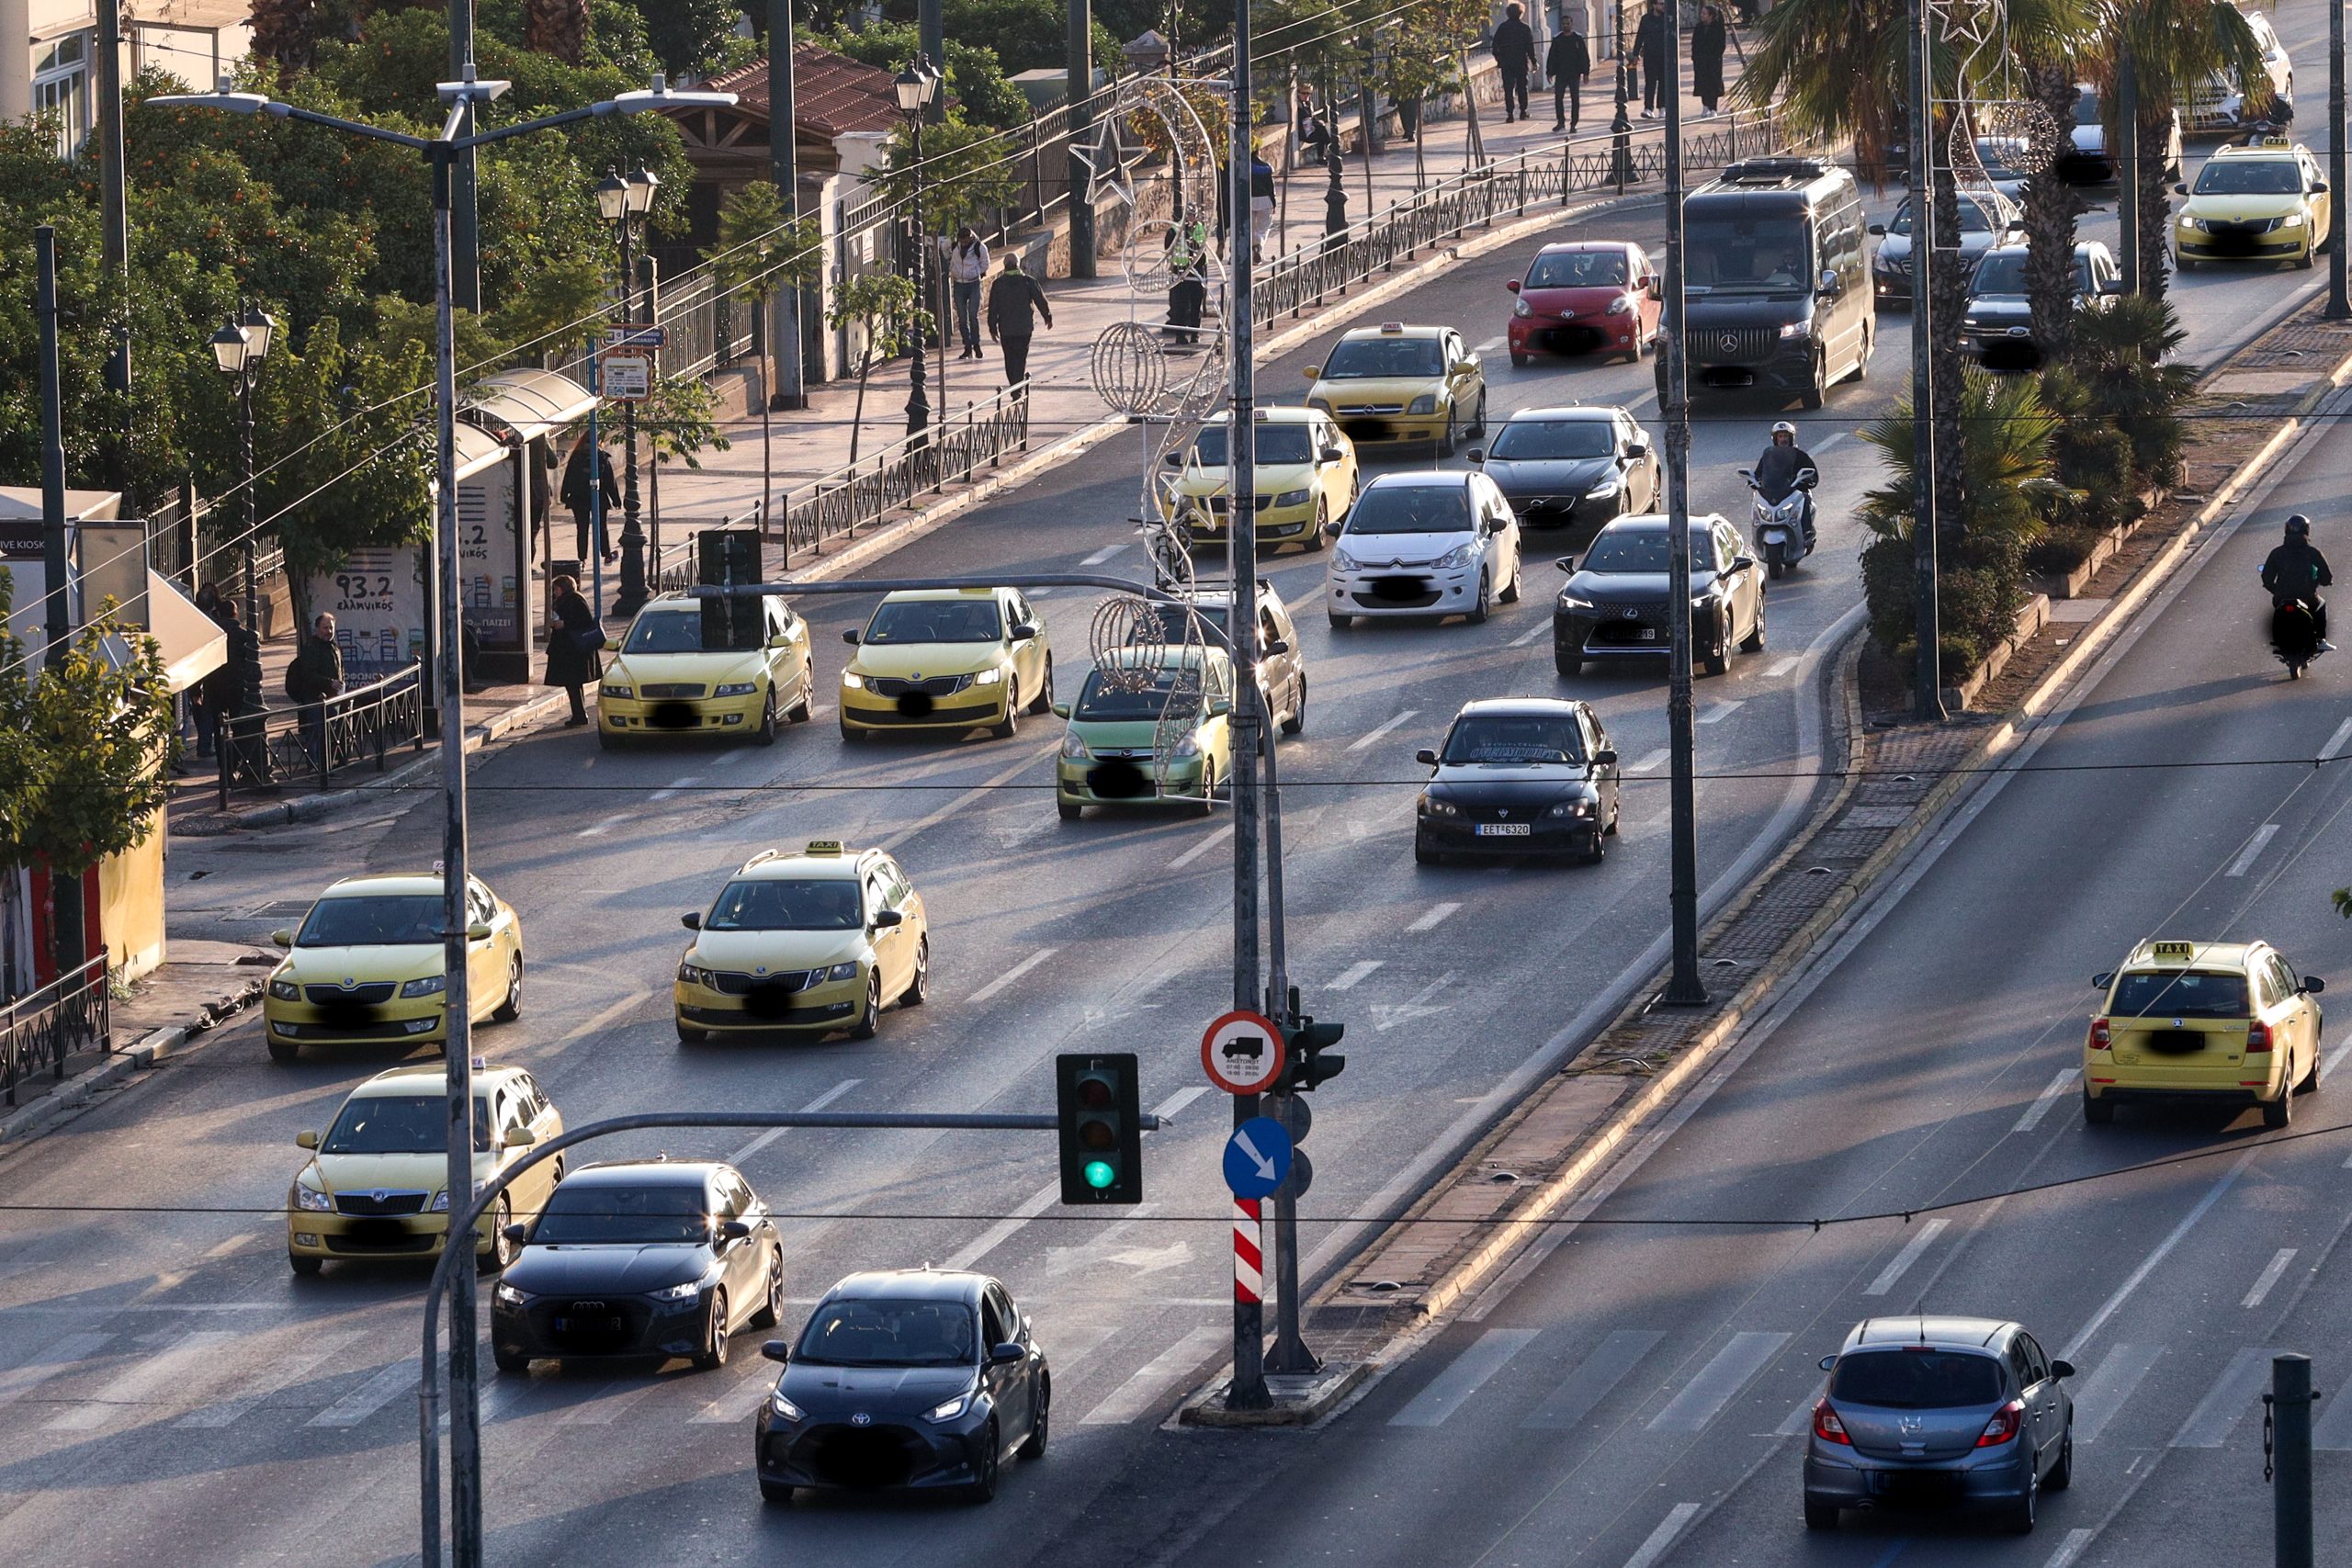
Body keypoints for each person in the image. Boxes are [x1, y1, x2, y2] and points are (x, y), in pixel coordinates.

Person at [209, 598, 272, 789]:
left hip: (215, 688)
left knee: (219, 730)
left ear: (219, 613)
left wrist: (197, 691)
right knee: (238, 728)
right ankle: (235, 764)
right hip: (237, 688)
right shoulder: (244, 636)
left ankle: (224, 770)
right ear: (236, 613)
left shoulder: (212, 634)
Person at [2262, 513, 2335, 650]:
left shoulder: (2277, 553)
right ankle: (2321, 640)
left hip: (2281, 596)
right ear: (2307, 530)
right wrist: (2324, 582)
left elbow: (2266, 577)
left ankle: (2279, 638)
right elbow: (2326, 575)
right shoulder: (2313, 552)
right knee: (2321, 605)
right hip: (2307, 596)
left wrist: (2276, 590)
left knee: (2278, 611)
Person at [285, 611, 345, 773]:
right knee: (316, 733)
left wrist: (340, 685)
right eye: (325, 628)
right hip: (315, 698)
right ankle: (314, 767)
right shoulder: (311, 648)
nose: (329, 631)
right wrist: (329, 682)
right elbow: (308, 674)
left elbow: (340, 668)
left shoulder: (333, 647)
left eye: (331, 628)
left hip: (333, 698)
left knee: (328, 734)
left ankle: (326, 766)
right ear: (317, 629)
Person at [986, 252, 1054, 391]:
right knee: (1020, 358)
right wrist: (1047, 317)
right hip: (1024, 328)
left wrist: (992, 328)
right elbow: (1040, 300)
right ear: (1018, 264)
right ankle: (1017, 387)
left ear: (1004, 266)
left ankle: (1014, 387)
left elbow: (993, 308)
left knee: (1009, 359)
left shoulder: (998, 284)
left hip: (1006, 329)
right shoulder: (1029, 281)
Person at [545, 574, 601, 727]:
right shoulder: (565, 600)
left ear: (563, 588)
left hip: (574, 651)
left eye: (556, 589)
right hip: (567, 649)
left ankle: (579, 715)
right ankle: (579, 713)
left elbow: (585, 622)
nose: (554, 592)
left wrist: (565, 624)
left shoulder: (575, 600)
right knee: (573, 684)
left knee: (573, 683)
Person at [1754, 420, 1818, 548]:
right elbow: (1758, 473)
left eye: (1786, 436)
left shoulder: (1800, 455)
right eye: (1780, 436)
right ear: (1775, 438)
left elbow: (1813, 475)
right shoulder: (1769, 456)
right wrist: (1754, 480)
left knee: (1806, 498)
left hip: (1795, 491)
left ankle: (1806, 532)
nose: (1783, 439)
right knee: (1756, 500)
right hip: (1774, 492)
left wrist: (1807, 480)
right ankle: (1756, 533)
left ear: (1791, 438)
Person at [560, 435, 619, 564]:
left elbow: (568, 477)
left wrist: (564, 496)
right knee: (602, 527)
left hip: (578, 498)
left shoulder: (576, 457)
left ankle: (582, 559)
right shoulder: (601, 456)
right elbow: (609, 480)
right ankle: (606, 554)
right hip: (599, 496)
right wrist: (616, 499)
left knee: (582, 529)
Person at [1163, 210, 1209, 344]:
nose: (1191, 217)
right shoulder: (1174, 230)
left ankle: (1195, 334)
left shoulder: (1199, 228)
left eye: (1193, 215)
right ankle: (1180, 335)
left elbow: (1201, 247)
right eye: (1188, 215)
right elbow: (1168, 249)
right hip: (1180, 272)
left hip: (1197, 270)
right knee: (1180, 306)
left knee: (1196, 304)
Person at [946, 227, 989, 360]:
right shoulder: (955, 246)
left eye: (965, 241)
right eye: (962, 241)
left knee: (973, 315)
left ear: (970, 238)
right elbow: (946, 253)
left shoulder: (979, 247)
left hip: (973, 284)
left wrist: (975, 273)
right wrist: (953, 270)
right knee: (962, 318)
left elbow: (985, 264)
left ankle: (976, 344)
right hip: (959, 284)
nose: (964, 243)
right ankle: (967, 347)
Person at [1491, 2, 1538, 124]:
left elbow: (1495, 46)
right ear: (1521, 13)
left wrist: (1499, 59)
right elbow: (1530, 47)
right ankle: (1523, 111)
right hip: (1521, 62)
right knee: (1522, 87)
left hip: (1507, 63)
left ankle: (1510, 114)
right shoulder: (1525, 28)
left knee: (1508, 88)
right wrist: (1534, 61)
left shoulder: (1503, 28)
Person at [1548, 17, 1590, 132]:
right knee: (1558, 98)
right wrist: (1549, 72)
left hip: (1574, 74)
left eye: (1567, 23)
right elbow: (1552, 57)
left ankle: (1573, 123)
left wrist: (1586, 73)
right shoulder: (1557, 39)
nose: (1565, 26)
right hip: (1561, 74)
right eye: (1563, 24)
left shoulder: (1577, 38)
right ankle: (1560, 122)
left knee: (1575, 99)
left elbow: (1584, 56)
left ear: (1571, 24)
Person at [1693, 6, 1728, 115]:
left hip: (1713, 60)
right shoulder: (1699, 27)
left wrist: (1716, 56)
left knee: (1713, 83)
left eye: (1704, 14)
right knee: (1702, 83)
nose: (1702, 15)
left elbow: (1721, 44)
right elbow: (1694, 43)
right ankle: (1705, 106)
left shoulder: (1718, 28)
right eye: (1702, 13)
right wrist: (1696, 57)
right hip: (1701, 60)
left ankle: (1713, 108)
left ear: (1711, 16)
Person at [1636, 0, 1669, 118]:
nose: (1663, 6)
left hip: (1664, 55)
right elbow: (1640, 36)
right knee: (1650, 82)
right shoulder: (1646, 19)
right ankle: (1648, 108)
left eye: (1664, 3)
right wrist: (1636, 53)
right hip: (1650, 56)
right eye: (1661, 3)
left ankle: (1662, 107)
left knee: (1663, 82)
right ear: (1654, 5)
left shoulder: (1667, 18)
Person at [1250, 150, 1277, 263]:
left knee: (1251, 227)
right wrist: (1274, 203)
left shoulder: (1244, 168)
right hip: (1265, 200)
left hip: (1250, 199)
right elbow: (1271, 186)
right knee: (1263, 228)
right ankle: (1259, 245)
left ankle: (1255, 247)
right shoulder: (1266, 167)